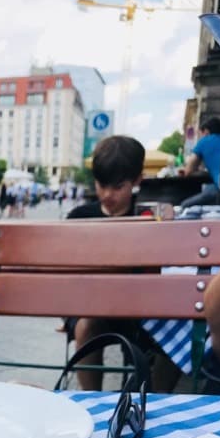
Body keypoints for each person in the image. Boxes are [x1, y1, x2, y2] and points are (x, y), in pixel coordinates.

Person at [64, 135, 149, 390]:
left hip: (142, 307)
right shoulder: (79, 217)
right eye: (102, 185)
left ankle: (151, 398)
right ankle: (91, 400)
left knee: (162, 331)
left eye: (118, 186)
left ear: (137, 181)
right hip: (90, 306)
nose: (108, 194)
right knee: (87, 324)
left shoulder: (148, 215)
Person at [180, 116, 220, 208]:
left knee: (184, 206)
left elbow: (188, 170)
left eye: (201, 133)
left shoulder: (204, 141)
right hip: (218, 186)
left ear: (206, 131)